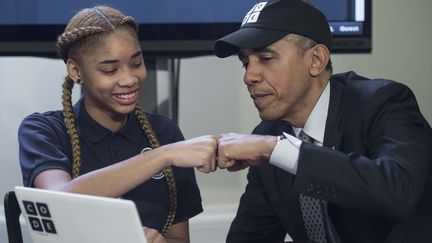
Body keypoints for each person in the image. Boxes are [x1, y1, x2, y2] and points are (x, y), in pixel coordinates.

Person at [213, 0, 432, 242]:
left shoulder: (383, 103)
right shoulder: (268, 134)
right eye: (245, 62)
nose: (249, 76)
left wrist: (280, 151)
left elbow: (397, 192)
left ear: (316, 60)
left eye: (265, 58)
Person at [18, 6, 218, 243]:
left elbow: (179, 238)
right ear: (75, 70)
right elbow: (58, 199)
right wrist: (163, 156)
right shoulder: (43, 131)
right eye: (110, 70)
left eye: (136, 64)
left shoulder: (166, 133)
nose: (129, 79)